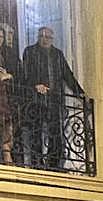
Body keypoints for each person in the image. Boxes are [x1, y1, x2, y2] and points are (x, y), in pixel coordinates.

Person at [20, 26, 83, 169]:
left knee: (55, 131)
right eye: (42, 36)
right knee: (36, 131)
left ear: (52, 39)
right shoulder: (30, 51)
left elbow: (67, 75)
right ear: (38, 37)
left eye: (47, 37)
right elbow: (24, 74)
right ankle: (37, 163)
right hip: (36, 99)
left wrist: (80, 93)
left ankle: (54, 163)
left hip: (54, 99)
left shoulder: (57, 54)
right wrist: (35, 85)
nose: (44, 39)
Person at [0, 23, 18, 165]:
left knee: (6, 122)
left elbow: (17, 72)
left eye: (1, 37)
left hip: (5, 97)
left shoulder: (5, 54)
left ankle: (6, 153)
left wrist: (8, 76)